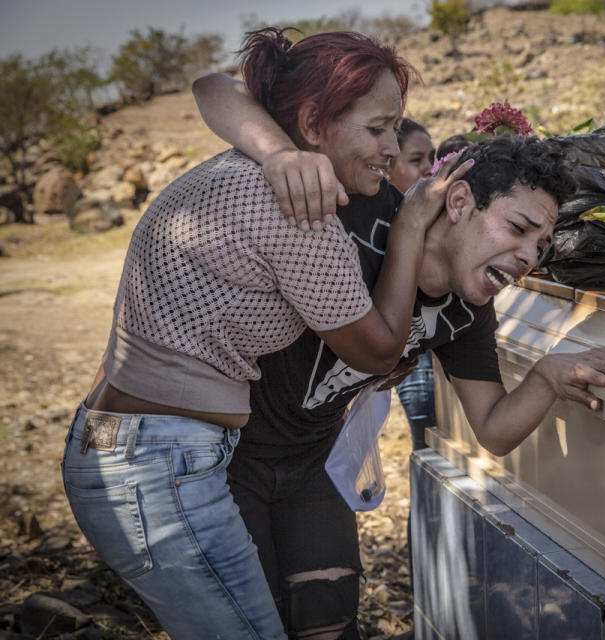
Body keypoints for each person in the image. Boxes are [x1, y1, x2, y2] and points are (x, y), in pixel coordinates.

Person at [193, 79, 605, 640]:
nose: (529, 256)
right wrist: (280, 155)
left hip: (308, 467)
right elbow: (215, 89)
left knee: (329, 621)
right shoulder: (357, 211)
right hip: (224, 457)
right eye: (518, 228)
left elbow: (495, 430)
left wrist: (548, 374)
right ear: (458, 203)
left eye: (540, 245)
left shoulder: (467, 312)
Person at [60, 28, 469, 640]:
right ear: (311, 122)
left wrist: (279, 151)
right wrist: (410, 226)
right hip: (160, 464)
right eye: (378, 128)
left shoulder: (243, 165)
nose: (391, 148)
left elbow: (214, 86)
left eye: (395, 129)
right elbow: (380, 347)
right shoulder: (301, 215)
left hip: (124, 445)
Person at [388, 118, 439, 450]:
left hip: (435, 347)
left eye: (432, 159)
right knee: (427, 442)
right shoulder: (379, 223)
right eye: (416, 160)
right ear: (388, 165)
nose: (429, 169)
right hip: (409, 353)